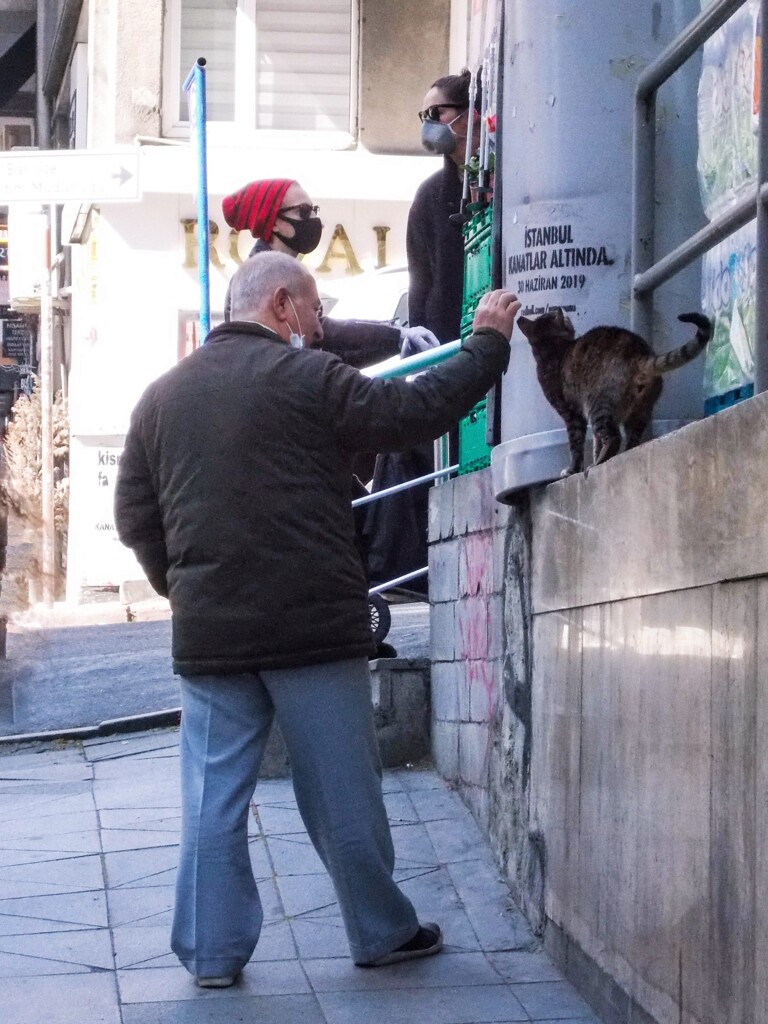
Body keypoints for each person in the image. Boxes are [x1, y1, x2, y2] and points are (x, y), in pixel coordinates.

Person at [113, 251, 520, 988]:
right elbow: (412, 413)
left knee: (211, 798)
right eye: (313, 311)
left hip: (211, 636)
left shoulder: (160, 399)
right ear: (279, 305)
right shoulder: (312, 379)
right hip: (312, 629)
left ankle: (210, 955)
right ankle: (381, 931)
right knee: (342, 793)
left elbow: (135, 516)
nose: (318, 327)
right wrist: (487, 343)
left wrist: (185, 590)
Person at [361, 70, 482, 595]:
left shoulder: (493, 178)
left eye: (439, 113)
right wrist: (428, 352)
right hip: (448, 348)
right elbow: (423, 284)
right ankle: (405, 567)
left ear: (469, 113)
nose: (430, 125)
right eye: (424, 116)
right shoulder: (432, 195)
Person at [221, 177, 439, 369]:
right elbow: (325, 333)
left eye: (313, 211)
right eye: (303, 212)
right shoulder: (259, 277)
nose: (315, 221)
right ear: (275, 223)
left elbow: (329, 351)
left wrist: (394, 341)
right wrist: (395, 336)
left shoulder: (281, 273)